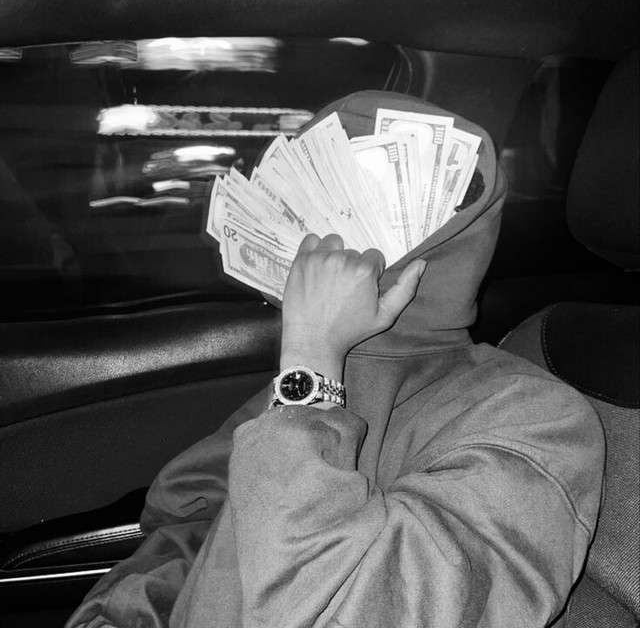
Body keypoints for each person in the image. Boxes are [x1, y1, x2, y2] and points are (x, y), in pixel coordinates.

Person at [66, 91, 605, 628]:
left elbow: (350, 607)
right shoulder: (306, 383)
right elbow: (189, 526)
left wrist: (311, 359)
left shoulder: (537, 417)